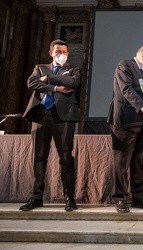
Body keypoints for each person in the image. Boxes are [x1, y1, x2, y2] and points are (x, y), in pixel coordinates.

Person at [20, 39, 81, 212]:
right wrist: (55, 88)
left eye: (64, 52)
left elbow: (73, 83)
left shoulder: (73, 69)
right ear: (51, 53)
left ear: (68, 54)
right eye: (58, 52)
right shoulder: (40, 68)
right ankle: (36, 197)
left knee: (66, 157)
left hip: (63, 117)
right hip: (40, 115)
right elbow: (31, 83)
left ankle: (69, 198)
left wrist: (48, 79)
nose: (61, 54)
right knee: (39, 157)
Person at [107, 45, 143, 213]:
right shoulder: (125, 66)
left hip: (140, 124)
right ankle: (120, 198)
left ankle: (138, 197)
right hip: (124, 122)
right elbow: (126, 90)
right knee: (121, 163)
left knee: (138, 163)